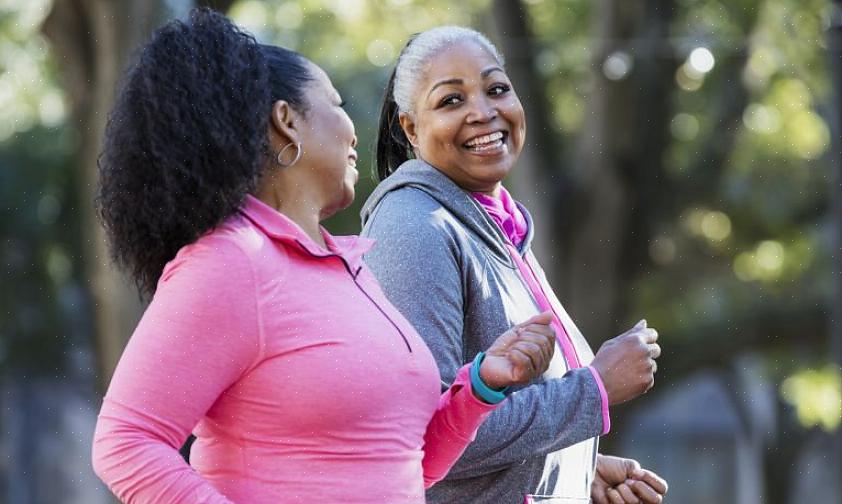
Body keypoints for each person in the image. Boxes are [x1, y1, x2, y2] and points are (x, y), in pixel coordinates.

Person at [90, 10, 559, 504]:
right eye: (335, 104)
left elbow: (403, 463)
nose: (355, 132)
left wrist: (481, 386)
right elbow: (126, 443)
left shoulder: (348, 268)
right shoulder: (231, 261)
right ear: (285, 122)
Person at [361, 26, 669, 504]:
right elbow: (426, 437)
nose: (483, 112)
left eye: (496, 89)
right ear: (410, 128)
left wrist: (570, 469)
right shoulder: (416, 226)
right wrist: (595, 389)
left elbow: (493, 422)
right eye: (450, 101)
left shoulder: (493, 224)